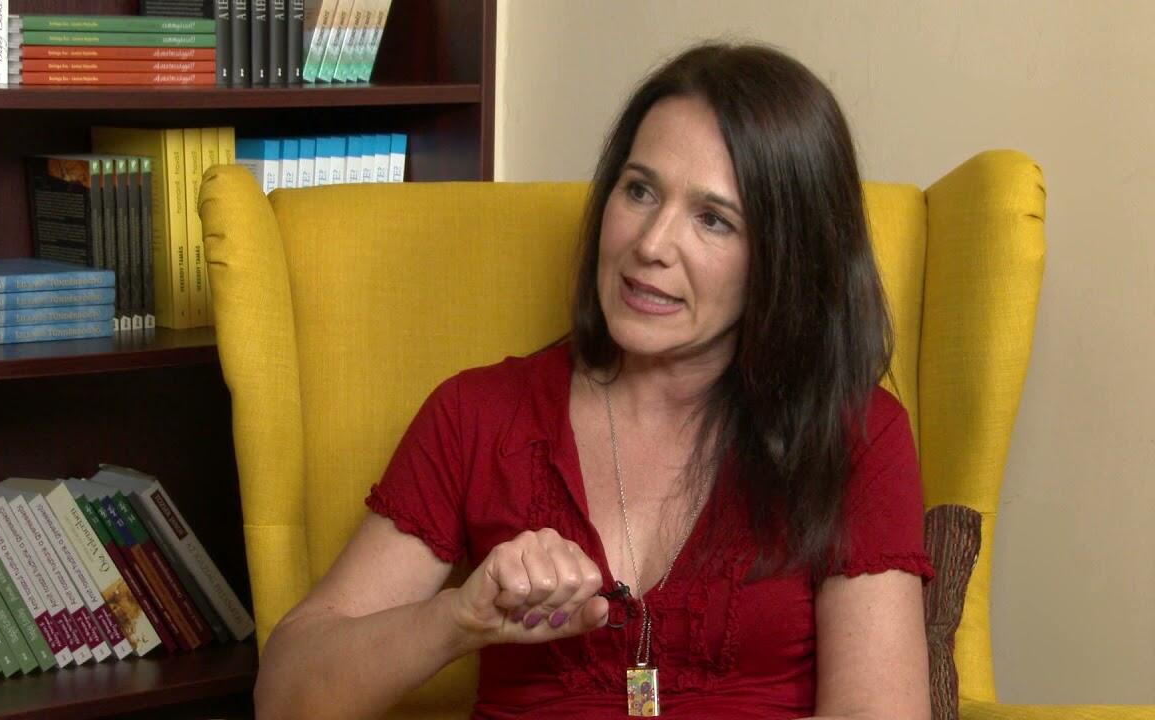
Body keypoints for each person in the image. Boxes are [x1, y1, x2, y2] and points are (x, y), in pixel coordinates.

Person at [255, 42, 934, 720]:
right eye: (639, 190)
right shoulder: (477, 415)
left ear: (786, 257)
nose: (650, 244)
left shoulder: (856, 437)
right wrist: (456, 620)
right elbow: (283, 696)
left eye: (713, 219)